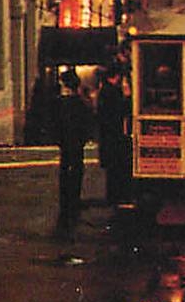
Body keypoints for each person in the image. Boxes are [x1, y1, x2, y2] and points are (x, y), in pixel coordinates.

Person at [52, 68, 93, 237]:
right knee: (76, 169)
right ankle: (74, 199)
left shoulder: (59, 103)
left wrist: (58, 139)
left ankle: (65, 200)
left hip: (65, 142)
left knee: (64, 169)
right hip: (76, 142)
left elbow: (54, 123)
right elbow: (88, 122)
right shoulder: (80, 103)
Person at [95, 64, 133, 209]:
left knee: (113, 169)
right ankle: (116, 196)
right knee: (116, 167)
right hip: (113, 135)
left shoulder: (105, 91)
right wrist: (128, 97)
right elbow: (120, 109)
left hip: (108, 136)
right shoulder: (111, 92)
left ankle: (113, 196)